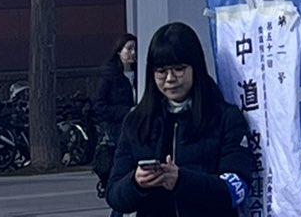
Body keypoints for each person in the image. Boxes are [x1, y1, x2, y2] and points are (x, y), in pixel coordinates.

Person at [106, 22, 255, 217]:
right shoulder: (136, 121)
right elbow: (114, 195)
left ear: (196, 68)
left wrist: (181, 180)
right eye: (161, 71)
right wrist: (135, 182)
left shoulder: (226, 118)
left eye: (179, 68)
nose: (170, 78)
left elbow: (236, 189)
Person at [95, 36, 139, 196]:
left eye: (135, 49)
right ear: (119, 51)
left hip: (138, 129)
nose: (133, 53)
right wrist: (127, 111)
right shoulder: (109, 75)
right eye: (129, 49)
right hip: (117, 131)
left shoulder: (141, 74)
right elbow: (99, 106)